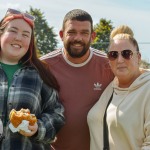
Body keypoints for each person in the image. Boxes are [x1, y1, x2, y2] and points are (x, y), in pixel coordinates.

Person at [41, 9, 114, 150]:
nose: (78, 38)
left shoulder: (108, 65)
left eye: (84, 33)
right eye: (72, 32)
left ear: (93, 36)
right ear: (62, 35)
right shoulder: (44, 66)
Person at [0, 8, 65, 150]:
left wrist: (38, 128)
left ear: (30, 42)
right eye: (13, 31)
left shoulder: (39, 74)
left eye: (25, 34)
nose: (18, 38)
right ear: (1, 33)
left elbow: (57, 114)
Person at [87, 25, 150, 150]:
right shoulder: (112, 87)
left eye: (127, 54)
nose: (120, 60)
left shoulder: (147, 88)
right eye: (113, 55)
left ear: (138, 57)